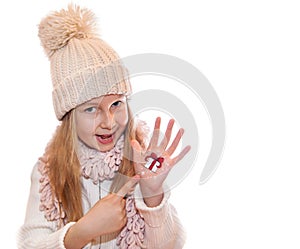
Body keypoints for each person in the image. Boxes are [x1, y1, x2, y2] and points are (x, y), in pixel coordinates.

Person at [17, 4, 190, 249]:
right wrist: (83, 230)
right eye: (91, 109)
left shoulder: (141, 158)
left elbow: (168, 246)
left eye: (116, 104)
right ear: (70, 116)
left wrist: (153, 195)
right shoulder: (48, 173)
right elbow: (29, 245)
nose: (108, 122)